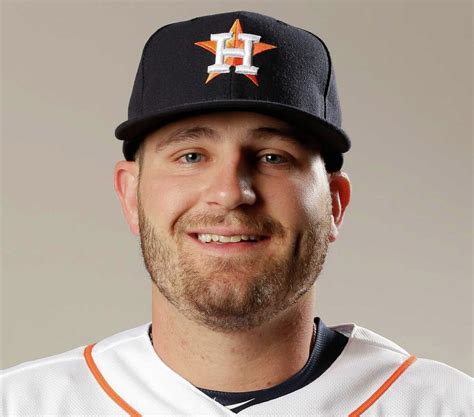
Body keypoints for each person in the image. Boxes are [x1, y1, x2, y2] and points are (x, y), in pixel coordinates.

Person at [1, 10, 472, 416]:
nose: (230, 193)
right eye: (191, 156)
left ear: (334, 203)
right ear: (130, 196)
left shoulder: (446, 406)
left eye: (273, 157)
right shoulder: (22, 404)